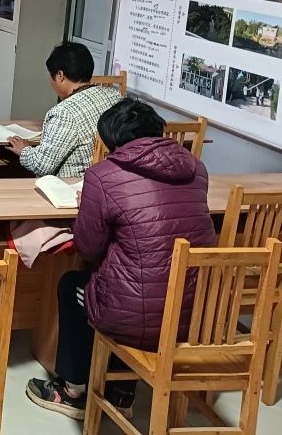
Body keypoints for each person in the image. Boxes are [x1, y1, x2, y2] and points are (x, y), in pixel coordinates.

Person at [26, 98, 216, 420]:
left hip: (140, 316)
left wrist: (89, 209)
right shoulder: (196, 169)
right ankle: (122, 392)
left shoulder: (104, 175)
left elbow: (88, 249)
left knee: (75, 286)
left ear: (113, 140)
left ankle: (72, 390)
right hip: (195, 312)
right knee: (133, 282)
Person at [9, 41, 122, 178]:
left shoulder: (64, 113)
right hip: (108, 179)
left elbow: (42, 166)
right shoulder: (115, 96)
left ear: (60, 75)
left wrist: (24, 150)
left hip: (71, 185)